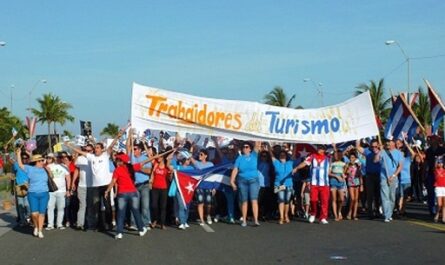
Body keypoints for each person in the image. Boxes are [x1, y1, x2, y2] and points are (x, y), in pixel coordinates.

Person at [65, 130, 122, 231]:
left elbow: (112, 145)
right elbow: (80, 152)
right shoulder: (91, 157)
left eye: (97, 148)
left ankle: (109, 224)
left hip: (105, 185)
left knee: (107, 206)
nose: (96, 149)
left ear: (102, 149)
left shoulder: (105, 156)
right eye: (95, 148)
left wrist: (117, 136)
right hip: (96, 187)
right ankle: (99, 225)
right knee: (97, 207)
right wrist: (69, 145)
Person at [105, 153, 148, 239]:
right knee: (136, 211)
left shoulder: (117, 170)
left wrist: (107, 190)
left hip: (122, 194)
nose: (117, 161)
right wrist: (154, 157)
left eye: (118, 160)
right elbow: (144, 161)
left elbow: (113, 181)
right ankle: (141, 230)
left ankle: (119, 233)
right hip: (133, 193)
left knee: (121, 213)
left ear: (122, 162)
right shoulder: (132, 167)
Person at [294, 145, 331, 224]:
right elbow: (304, 163)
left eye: (320, 148)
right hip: (314, 183)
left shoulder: (328, 158)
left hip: (324, 184)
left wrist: (334, 147)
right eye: (318, 148)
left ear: (323, 150)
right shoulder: (312, 156)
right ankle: (313, 214)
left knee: (324, 201)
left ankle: (323, 217)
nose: (318, 149)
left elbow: (337, 156)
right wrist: (297, 168)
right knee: (313, 200)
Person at [16, 149, 49, 238]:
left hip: (44, 193)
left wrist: (47, 169)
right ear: (36, 162)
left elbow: (51, 176)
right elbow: (20, 165)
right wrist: (18, 154)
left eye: (43, 160)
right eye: (41, 160)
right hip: (32, 194)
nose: (43, 161)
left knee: (42, 213)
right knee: (34, 214)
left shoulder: (45, 168)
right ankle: (36, 226)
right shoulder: (29, 169)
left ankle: (40, 230)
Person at [230, 141, 261, 227]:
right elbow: (235, 169)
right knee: (244, 201)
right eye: (244, 147)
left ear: (250, 149)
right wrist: (232, 181)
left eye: (247, 147)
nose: (245, 148)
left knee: (254, 200)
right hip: (242, 181)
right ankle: (244, 220)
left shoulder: (254, 155)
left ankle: (256, 220)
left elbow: (257, 144)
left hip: (253, 180)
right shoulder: (239, 158)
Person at [375, 138, 403, 223]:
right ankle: (386, 215)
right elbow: (375, 160)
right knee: (385, 196)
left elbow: (400, 166)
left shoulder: (399, 153)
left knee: (392, 197)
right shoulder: (383, 152)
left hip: (393, 178)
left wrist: (393, 175)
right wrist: (379, 151)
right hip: (384, 177)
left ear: (393, 143)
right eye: (387, 142)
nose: (387, 143)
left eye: (389, 142)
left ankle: (389, 213)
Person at [269, 147, 295, 224]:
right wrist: (267, 143)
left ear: (286, 156)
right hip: (278, 185)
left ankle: (286, 215)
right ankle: (281, 217)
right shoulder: (276, 162)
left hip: (289, 185)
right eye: (281, 155)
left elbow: (293, 154)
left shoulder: (290, 162)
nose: (282, 156)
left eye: (284, 155)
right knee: (281, 200)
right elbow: (271, 155)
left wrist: (295, 144)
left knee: (287, 201)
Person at [46, 153, 71, 230]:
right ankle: (50, 224)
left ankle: (59, 224)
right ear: (55, 158)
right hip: (51, 191)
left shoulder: (65, 167)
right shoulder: (49, 166)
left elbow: (68, 179)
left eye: (61, 157)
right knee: (50, 207)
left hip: (61, 191)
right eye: (58, 157)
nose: (60, 159)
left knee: (61, 208)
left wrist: (68, 190)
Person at [357, 139, 381, 219]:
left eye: (375, 146)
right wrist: (358, 138)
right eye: (372, 146)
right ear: (370, 145)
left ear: (378, 145)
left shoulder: (382, 151)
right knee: (369, 195)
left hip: (379, 175)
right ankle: (370, 212)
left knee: (378, 195)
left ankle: (377, 211)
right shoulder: (367, 151)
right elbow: (358, 147)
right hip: (369, 176)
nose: (374, 147)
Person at [72, 144, 94, 230]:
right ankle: (80, 223)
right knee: (82, 205)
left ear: (92, 151)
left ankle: (90, 223)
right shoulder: (80, 159)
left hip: (92, 186)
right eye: (85, 150)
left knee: (90, 205)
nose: (87, 152)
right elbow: (77, 170)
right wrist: (73, 182)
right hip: (81, 185)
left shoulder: (94, 158)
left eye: (89, 151)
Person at [191, 149, 215, 225]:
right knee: (200, 201)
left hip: (209, 185)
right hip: (199, 185)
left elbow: (214, 176)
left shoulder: (210, 164)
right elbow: (190, 158)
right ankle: (202, 220)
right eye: (199, 154)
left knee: (208, 202)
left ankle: (208, 215)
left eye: (201, 154)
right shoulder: (197, 163)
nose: (199, 156)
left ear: (206, 156)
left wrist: (214, 187)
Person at [150, 153, 174, 229]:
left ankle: (162, 223)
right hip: (155, 188)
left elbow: (169, 179)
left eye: (159, 157)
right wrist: (144, 144)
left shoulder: (166, 168)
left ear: (163, 158)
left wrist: (171, 174)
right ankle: (155, 220)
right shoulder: (155, 164)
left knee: (163, 206)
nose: (158, 158)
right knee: (154, 205)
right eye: (157, 156)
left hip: (164, 188)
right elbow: (150, 157)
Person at [329, 151, 346, 221]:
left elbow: (344, 172)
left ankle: (339, 211)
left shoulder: (343, 164)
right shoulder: (332, 164)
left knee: (342, 199)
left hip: (341, 181)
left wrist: (343, 176)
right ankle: (335, 215)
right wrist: (336, 176)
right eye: (335, 155)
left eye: (337, 155)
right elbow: (329, 173)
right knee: (334, 199)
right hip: (333, 180)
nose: (336, 156)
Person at [345, 152, 363, 220]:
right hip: (350, 182)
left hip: (357, 182)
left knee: (356, 199)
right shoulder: (348, 164)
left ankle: (354, 214)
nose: (351, 159)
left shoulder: (358, 165)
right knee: (352, 198)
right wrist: (347, 170)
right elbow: (345, 172)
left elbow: (360, 175)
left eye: (353, 158)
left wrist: (361, 185)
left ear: (355, 158)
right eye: (350, 158)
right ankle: (349, 212)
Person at [433, 157, 445, 223]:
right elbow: (434, 165)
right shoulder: (436, 170)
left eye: (441, 163)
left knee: (444, 204)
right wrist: (437, 159)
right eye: (439, 163)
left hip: (444, 187)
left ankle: (443, 217)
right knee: (439, 204)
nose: (440, 164)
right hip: (438, 187)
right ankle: (437, 214)